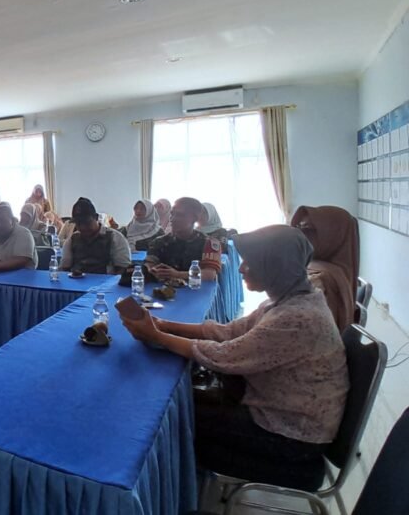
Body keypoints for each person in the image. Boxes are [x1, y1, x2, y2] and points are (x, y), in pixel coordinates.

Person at [120, 225, 348, 485]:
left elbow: (222, 356)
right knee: (181, 401)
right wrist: (164, 325)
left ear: (275, 266)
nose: (240, 269)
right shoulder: (291, 299)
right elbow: (228, 332)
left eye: (250, 263)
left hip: (291, 434)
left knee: (168, 418)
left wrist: (156, 337)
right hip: (284, 414)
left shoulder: (297, 318)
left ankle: (174, 491)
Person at [291, 205, 359, 331]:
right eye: (298, 227)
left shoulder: (319, 280)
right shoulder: (337, 269)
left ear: (333, 236)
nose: (300, 235)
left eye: (308, 229)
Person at [144, 197, 222, 282]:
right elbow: (149, 264)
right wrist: (153, 270)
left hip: (197, 288)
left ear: (194, 218)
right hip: (164, 288)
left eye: (180, 215)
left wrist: (178, 274)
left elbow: (209, 274)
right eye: (172, 214)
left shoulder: (208, 243)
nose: (172, 219)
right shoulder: (159, 242)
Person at [60, 197, 131, 274]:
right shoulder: (72, 240)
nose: (83, 227)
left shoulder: (115, 237)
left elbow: (123, 269)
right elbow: (64, 269)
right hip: (77, 280)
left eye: (87, 223)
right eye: (79, 224)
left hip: (106, 280)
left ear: (96, 217)